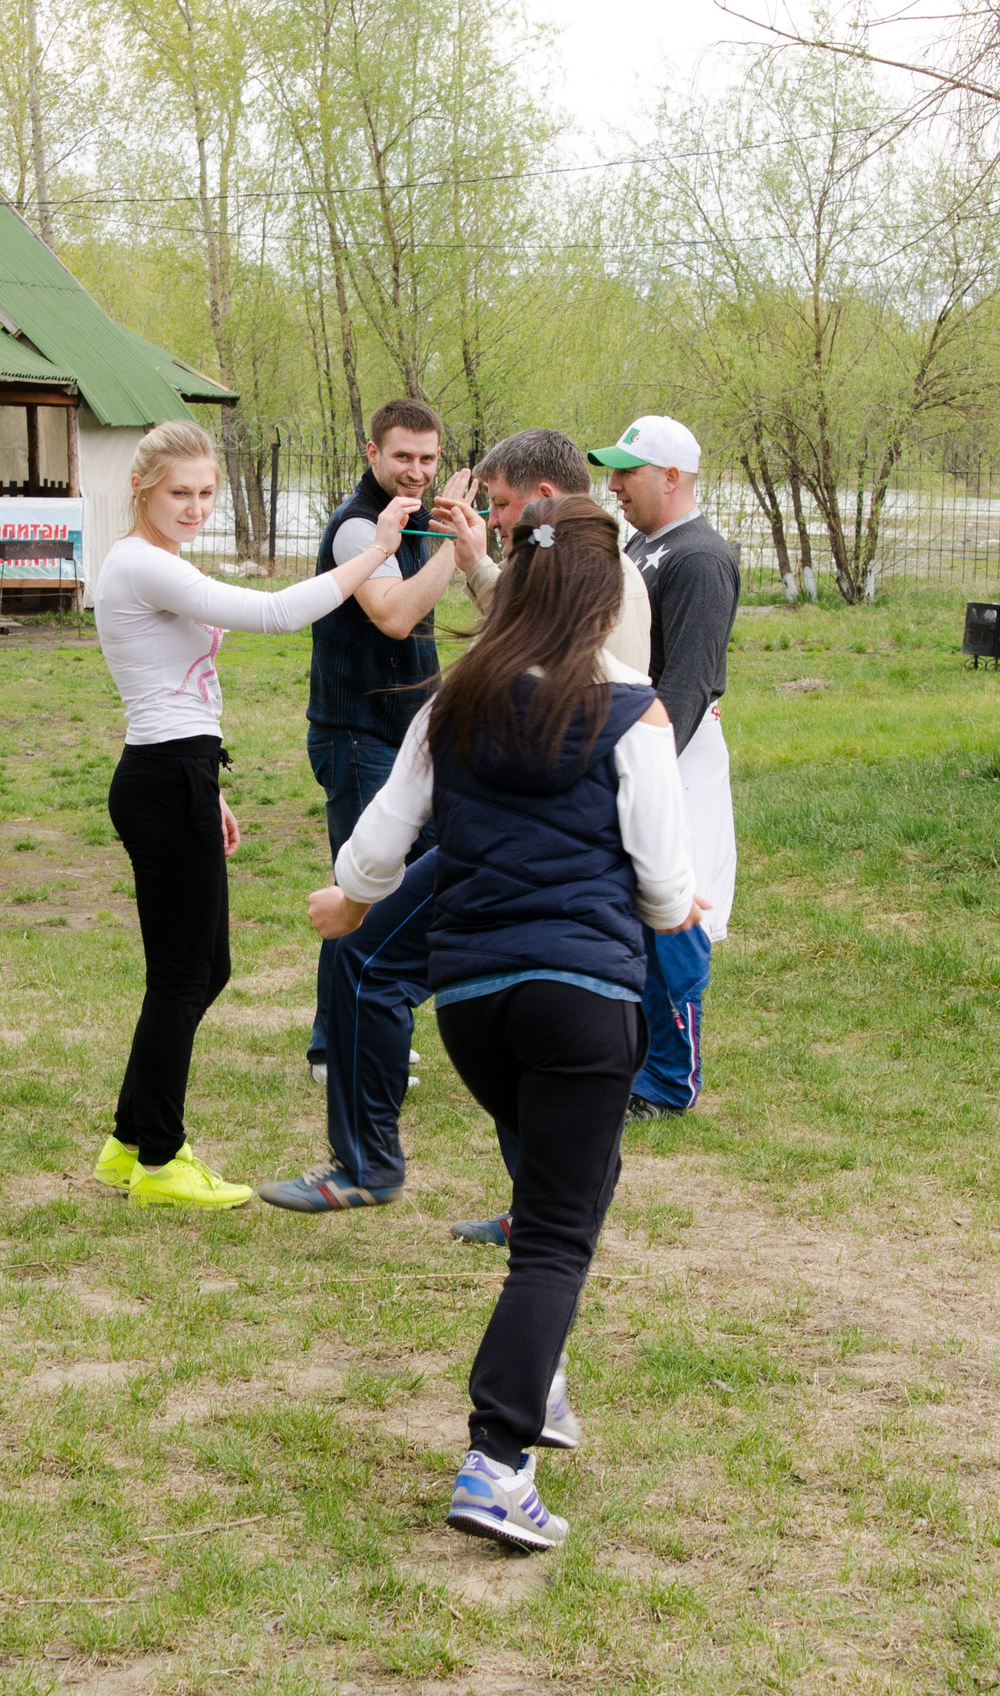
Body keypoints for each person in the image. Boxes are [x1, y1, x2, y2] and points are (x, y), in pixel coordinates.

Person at [306, 495, 701, 1553]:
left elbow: (379, 846)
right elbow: (665, 893)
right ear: (604, 601)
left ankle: (545, 1382)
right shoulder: (635, 714)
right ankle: (497, 1459)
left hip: (474, 1006)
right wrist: (681, 905)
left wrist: (344, 901)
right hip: (583, 1003)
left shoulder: (453, 702)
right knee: (558, 1236)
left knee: (560, 1195)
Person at [260, 427, 649, 1221]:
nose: (494, 521)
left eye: (501, 508)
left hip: (527, 840)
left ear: (544, 503)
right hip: (536, 846)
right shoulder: (579, 569)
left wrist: (355, 893)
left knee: (395, 965)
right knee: (514, 1006)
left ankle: (394, 1170)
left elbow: (570, 668)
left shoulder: (601, 588)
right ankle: (530, 1198)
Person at [92, 420, 417, 1209]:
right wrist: (374, 553)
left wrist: (210, 786)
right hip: (164, 776)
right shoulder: (141, 563)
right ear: (142, 489)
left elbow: (175, 695)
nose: (195, 507)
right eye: (180, 493)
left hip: (181, 772)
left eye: (206, 493)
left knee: (208, 968)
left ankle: (129, 1141)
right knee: (181, 976)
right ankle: (162, 1160)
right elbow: (274, 614)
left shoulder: (158, 560)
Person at [299, 399, 491, 1097]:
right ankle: (336, 1043)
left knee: (436, 870)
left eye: (428, 458)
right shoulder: (358, 528)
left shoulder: (413, 519)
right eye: (402, 455)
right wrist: (454, 550)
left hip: (413, 738)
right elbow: (396, 615)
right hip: (356, 735)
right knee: (364, 881)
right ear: (371, 452)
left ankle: (383, 1014)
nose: (416, 470)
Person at [586, 417, 739, 1117]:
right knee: (640, 911)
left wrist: (639, 760)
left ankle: (671, 1078)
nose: (614, 485)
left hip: (672, 750)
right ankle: (639, 1062)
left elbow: (689, 681)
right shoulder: (645, 547)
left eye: (628, 472)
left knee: (676, 911)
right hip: (640, 743)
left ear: (671, 478)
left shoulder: (699, 558)